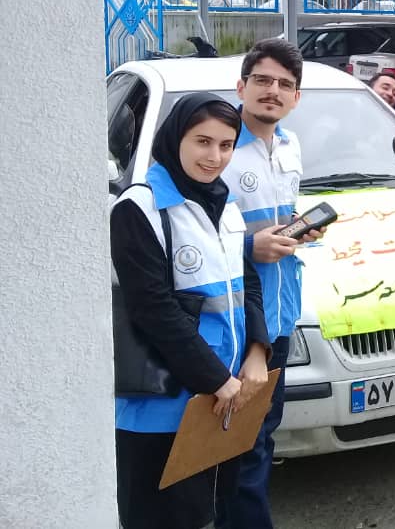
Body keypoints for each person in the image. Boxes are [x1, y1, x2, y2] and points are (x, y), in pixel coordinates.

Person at [112, 93, 270, 529]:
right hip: (163, 409)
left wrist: (258, 351)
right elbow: (152, 309)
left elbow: (247, 281)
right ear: (175, 137)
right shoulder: (139, 208)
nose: (214, 157)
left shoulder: (224, 203)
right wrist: (216, 379)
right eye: (202, 141)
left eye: (226, 145)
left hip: (224, 398)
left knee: (208, 512)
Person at [216, 39, 322, 529]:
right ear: (241, 86)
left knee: (261, 433)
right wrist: (247, 247)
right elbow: (186, 231)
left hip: (279, 314)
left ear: (296, 98)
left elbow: (276, 217)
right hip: (234, 319)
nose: (272, 91)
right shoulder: (216, 146)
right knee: (243, 443)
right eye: (262, 80)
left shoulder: (289, 145)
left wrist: (299, 229)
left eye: (284, 84)